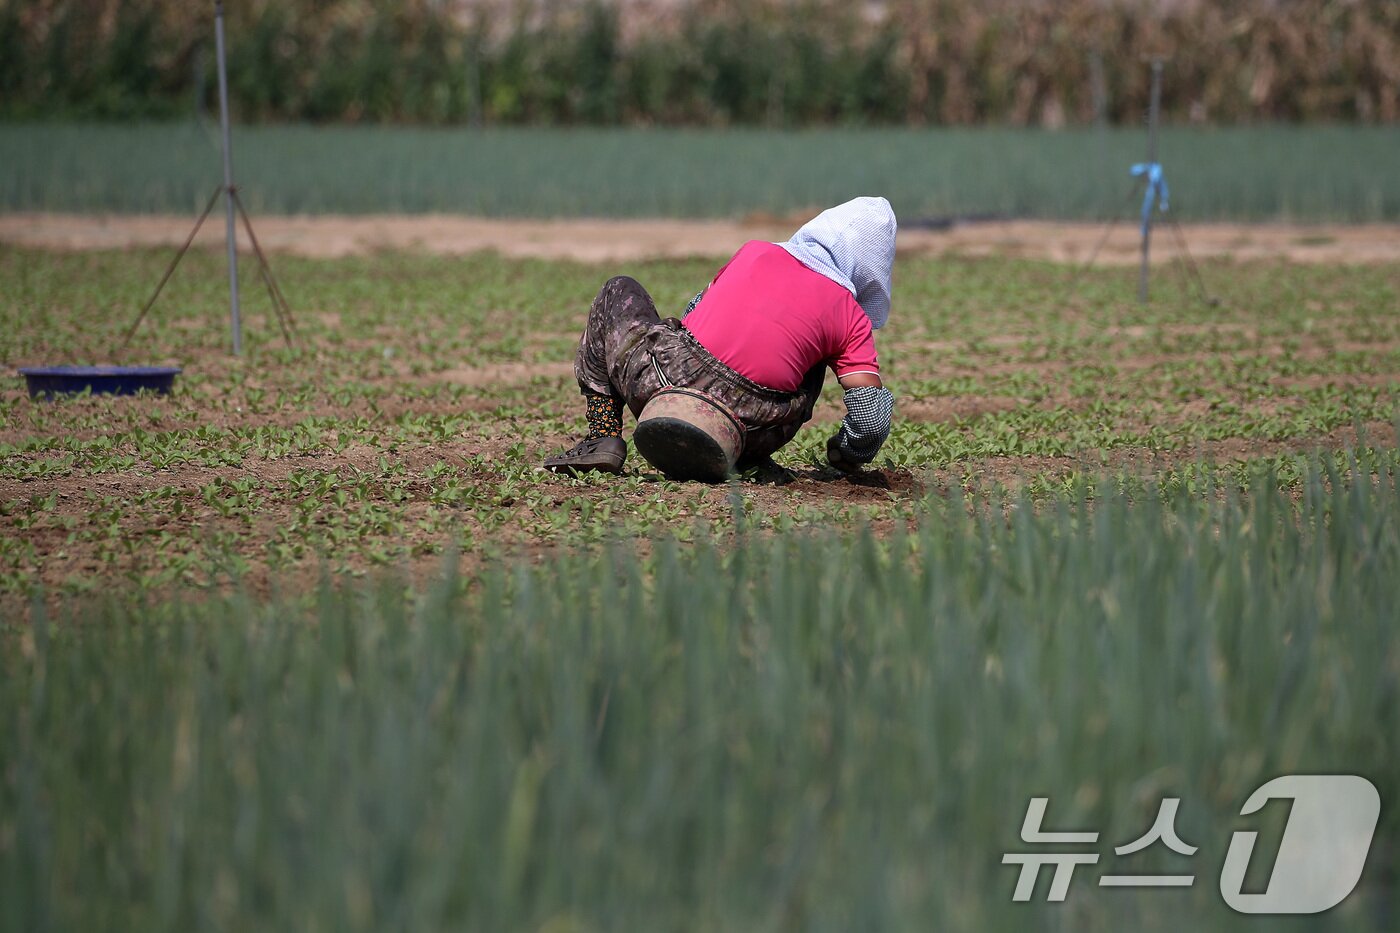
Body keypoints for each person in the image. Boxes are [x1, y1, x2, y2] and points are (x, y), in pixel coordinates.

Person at [543, 196, 897, 478]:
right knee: (814, 356)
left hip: (665, 386)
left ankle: (603, 435)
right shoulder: (850, 315)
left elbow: (694, 314)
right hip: (756, 428)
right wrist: (847, 453)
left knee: (618, 290)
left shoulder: (755, 250)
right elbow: (870, 419)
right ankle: (745, 458)